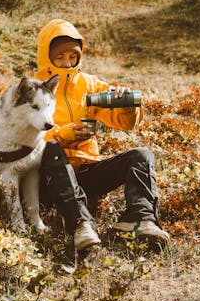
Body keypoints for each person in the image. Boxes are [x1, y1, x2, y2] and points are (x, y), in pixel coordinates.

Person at [36, 19, 170, 252]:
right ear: (47, 57)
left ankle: (140, 219)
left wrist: (127, 105)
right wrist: (63, 135)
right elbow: (23, 140)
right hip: (48, 181)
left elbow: (127, 124)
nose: (67, 63)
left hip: (87, 174)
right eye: (60, 57)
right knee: (52, 150)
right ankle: (81, 226)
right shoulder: (33, 89)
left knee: (141, 155)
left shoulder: (89, 84)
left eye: (73, 56)